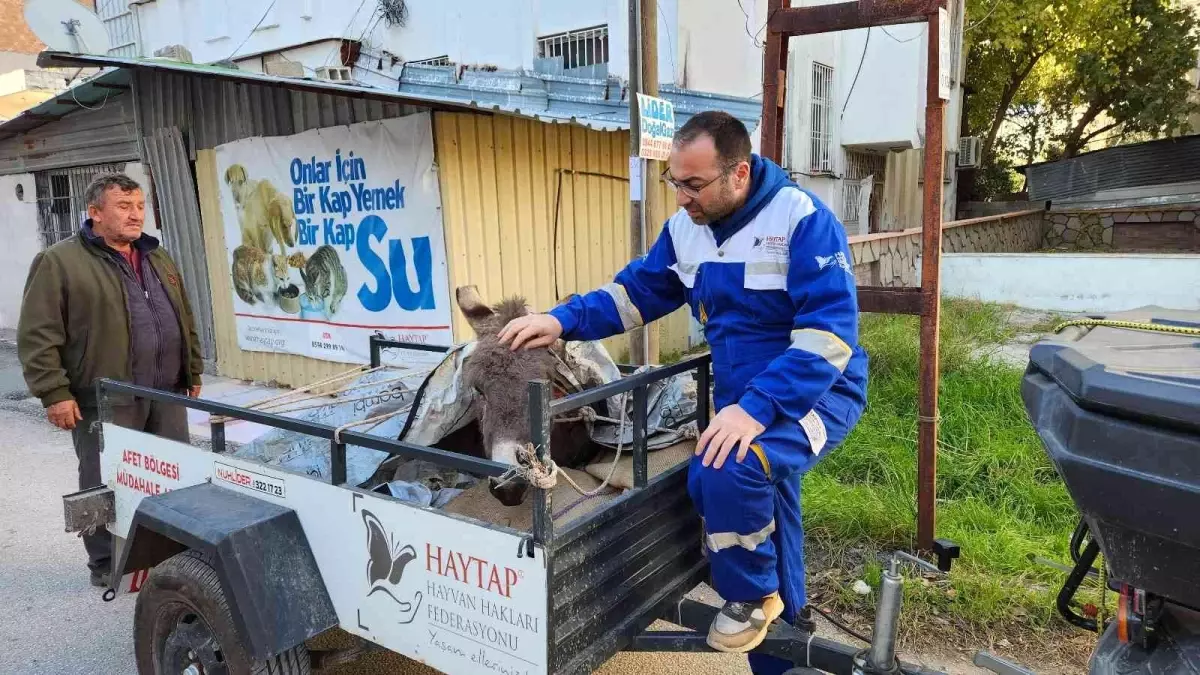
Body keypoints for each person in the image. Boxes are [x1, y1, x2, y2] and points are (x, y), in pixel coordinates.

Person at [498, 111, 868, 674]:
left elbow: (829, 337)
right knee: (738, 489)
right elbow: (635, 295)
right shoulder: (685, 230)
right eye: (675, 182)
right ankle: (780, 632)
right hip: (746, 399)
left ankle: (752, 599)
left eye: (693, 185)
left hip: (818, 391)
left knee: (732, 470)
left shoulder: (801, 219)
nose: (681, 198)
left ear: (738, 174)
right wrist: (561, 320)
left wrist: (757, 409)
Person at [17, 172, 204, 588]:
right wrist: (54, 393)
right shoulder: (60, 261)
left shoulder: (158, 256)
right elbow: (38, 333)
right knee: (105, 480)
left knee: (171, 475)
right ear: (95, 212)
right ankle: (105, 561)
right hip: (104, 396)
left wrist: (192, 368)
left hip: (164, 391)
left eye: (139, 206)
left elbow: (182, 315)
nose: (136, 215)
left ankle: (165, 555)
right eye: (124, 206)